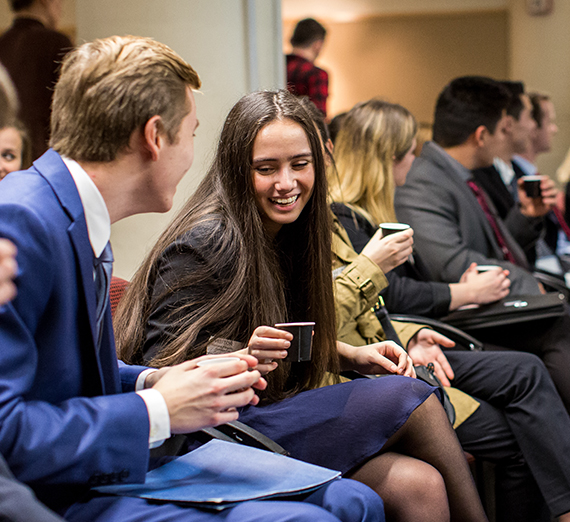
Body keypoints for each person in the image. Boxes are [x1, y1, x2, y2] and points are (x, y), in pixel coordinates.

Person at [0, 35, 387, 522]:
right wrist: (158, 409)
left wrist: (154, 377)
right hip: (58, 494)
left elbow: (69, 380)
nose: (191, 158)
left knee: (358, 501)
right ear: (155, 136)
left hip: (100, 464)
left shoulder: (73, 214)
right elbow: (6, 433)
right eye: (191, 135)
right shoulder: (22, 221)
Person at [116, 89, 489, 522]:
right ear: (238, 170)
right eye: (266, 168)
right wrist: (239, 355)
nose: (287, 183)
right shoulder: (206, 241)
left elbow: (280, 340)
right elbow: (157, 365)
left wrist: (350, 355)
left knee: (417, 485)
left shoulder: (292, 234)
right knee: (414, 396)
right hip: (211, 437)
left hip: (261, 416)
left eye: (299, 164)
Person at [329, 98, 570, 521]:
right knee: (531, 370)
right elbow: (385, 298)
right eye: (408, 157)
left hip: (406, 337)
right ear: (386, 160)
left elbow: (389, 300)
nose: (412, 166)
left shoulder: (371, 214)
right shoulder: (346, 220)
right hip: (382, 357)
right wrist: (457, 295)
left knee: (536, 358)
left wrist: (411, 332)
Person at [394, 75, 570, 413]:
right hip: (459, 314)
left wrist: (526, 215)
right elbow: (452, 264)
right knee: (557, 322)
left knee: (559, 315)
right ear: (481, 135)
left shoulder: (464, 174)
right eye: (503, 129)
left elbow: (496, 248)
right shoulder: (424, 182)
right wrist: (527, 284)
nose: (509, 136)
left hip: (489, 300)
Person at [0, 0, 73, 160]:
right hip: (43, 158)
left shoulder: (3, 44)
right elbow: (73, 112)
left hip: (8, 159)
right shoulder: (57, 43)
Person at [286, 18, 329, 117]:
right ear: (318, 45)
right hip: (302, 130)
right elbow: (318, 117)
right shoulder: (316, 74)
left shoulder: (277, 67)